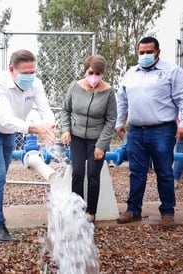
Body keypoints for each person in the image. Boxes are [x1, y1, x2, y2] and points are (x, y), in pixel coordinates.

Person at [115, 37, 183, 227]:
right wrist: (120, 121)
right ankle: (133, 210)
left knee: (164, 171)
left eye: (148, 52)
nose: (144, 56)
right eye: (141, 52)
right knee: (136, 172)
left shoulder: (172, 72)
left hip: (163, 130)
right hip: (135, 131)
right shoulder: (130, 73)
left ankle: (167, 212)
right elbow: (122, 100)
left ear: (158, 52)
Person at [0, 49, 56, 242]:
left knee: (2, 172)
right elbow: (5, 119)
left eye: (32, 72)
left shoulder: (35, 84)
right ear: (12, 70)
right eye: (25, 73)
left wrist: (49, 126)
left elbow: (45, 109)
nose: (30, 76)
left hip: (10, 132)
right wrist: (35, 128)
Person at [60, 55, 117, 224]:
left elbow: (111, 120)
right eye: (91, 72)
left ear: (102, 74)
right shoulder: (74, 87)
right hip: (77, 137)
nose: (94, 77)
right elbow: (65, 110)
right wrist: (66, 130)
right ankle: (77, 210)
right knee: (78, 173)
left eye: (98, 73)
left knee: (93, 175)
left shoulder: (108, 92)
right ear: (85, 71)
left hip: (96, 139)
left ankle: (91, 212)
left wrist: (101, 145)